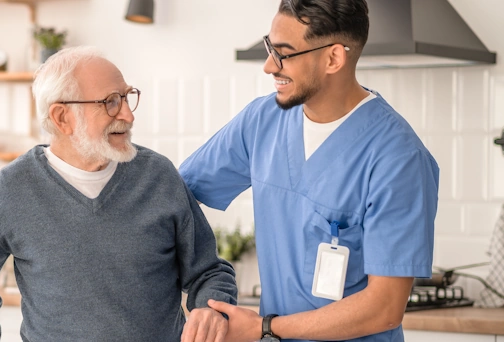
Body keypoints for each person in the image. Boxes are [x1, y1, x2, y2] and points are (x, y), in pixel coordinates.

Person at [179, 1, 439, 341]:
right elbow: (174, 196)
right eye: (270, 47)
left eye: (285, 53)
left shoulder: (399, 158)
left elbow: (385, 308)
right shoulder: (261, 122)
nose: (270, 65)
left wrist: (264, 327)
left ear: (333, 58)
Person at [0, 46, 238, 342]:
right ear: (62, 117)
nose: (127, 115)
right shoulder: (13, 188)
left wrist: (211, 309)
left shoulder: (159, 176)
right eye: (110, 102)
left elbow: (209, 272)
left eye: (127, 97)